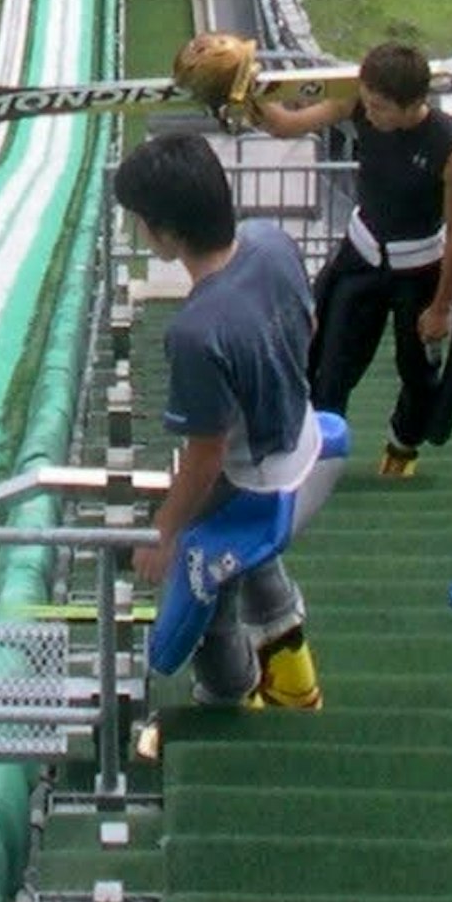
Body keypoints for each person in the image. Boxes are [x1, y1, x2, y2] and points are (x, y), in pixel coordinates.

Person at [115, 128, 339, 714]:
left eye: (140, 220)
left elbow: (206, 459)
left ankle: (227, 692)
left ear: (166, 232)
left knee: (205, 579)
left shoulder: (196, 332)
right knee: (251, 550)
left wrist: (163, 535)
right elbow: (308, 326)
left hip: (255, 479)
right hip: (309, 445)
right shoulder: (272, 242)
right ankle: (294, 674)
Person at [248, 39, 452, 480]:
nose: (368, 115)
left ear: (413, 105)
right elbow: (285, 125)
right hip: (361, 257)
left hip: (420, 271)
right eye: (367, 103)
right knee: (330, 361)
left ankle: (401, 450)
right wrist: (247, 96)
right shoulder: (359, 105)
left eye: (380, 108)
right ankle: (317, 461)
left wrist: (442, 307)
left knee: (416, 372)